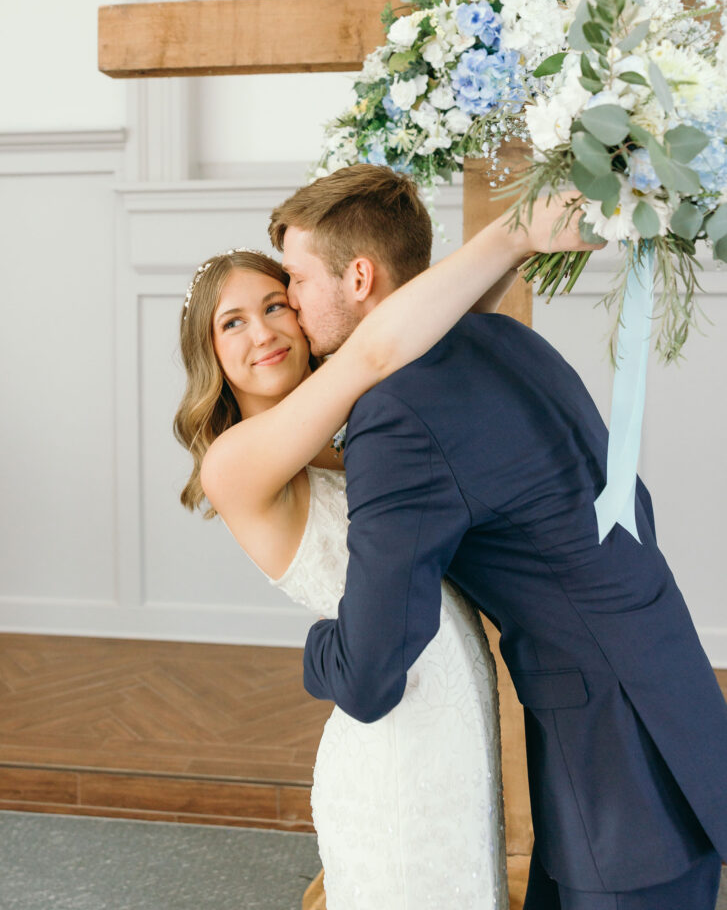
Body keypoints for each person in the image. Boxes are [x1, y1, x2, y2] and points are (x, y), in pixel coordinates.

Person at [265, 164, 727, 910]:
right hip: (675, 702)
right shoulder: (505, 341)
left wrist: (317, 644)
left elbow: (369, 673)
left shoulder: (396, 414)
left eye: (294, 278)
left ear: (358, 277)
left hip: (614, 772)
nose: (287, 301)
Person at [174, 171, 596, 910]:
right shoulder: (234, 463)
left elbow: (424, 339)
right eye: (232, 323)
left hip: (455, 722)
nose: (264, 331)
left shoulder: (343, 425)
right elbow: (376, 351)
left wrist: (507, 266)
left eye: (275, 304)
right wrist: (513, 233)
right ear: (210, 353)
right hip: (392, 741)